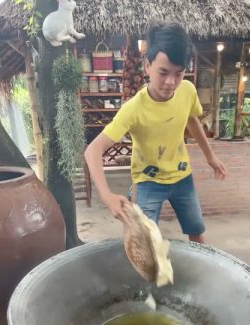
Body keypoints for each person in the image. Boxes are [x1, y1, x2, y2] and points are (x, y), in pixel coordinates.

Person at [84, 22, 227, 243]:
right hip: (147, 181)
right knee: (143, 238)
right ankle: (147, 278)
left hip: (182, 177)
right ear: (148, 66)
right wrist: (106, 195)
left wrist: (210, 156)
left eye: (178, 74)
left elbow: (192, 119)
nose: (171, 82)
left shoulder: (187, 91)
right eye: (163, 72)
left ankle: (199, 275)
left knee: (197, 229)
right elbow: (92, 151)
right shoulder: (133, 109)